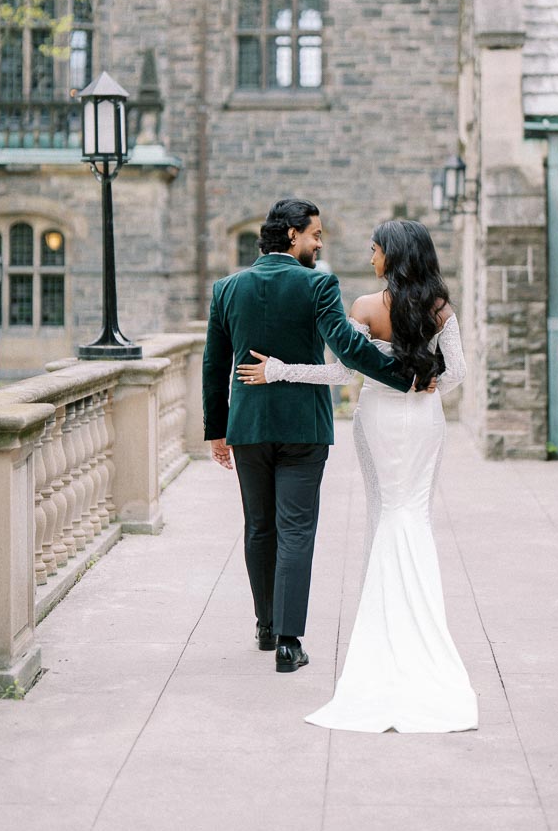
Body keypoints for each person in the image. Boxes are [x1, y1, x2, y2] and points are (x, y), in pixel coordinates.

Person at [237, 218, 478, 733]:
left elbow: (344, 372)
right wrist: (428, 383)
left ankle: (383, 620)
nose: (370, 258)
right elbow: (457, 373)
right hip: (423, 420)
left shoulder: (367, 307)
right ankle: (420, 619)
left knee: (384, 510)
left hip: (378, 420)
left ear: (392, 255)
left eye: (374, 250)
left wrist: (281, 369)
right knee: (415, 513)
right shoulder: (441, 308)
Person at [203, 198, 413, 673]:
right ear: (293, 234)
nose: (320, 243)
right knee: (295, 529)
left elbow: (214, 366)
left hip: (249, 426)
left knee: (259, 526)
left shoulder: (226, 289)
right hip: (303, 427)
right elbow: (347, 347)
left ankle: (265, 624)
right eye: (316, 234)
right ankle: (288, 642)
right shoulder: (318, 284)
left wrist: (217, 429)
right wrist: (405, 376)